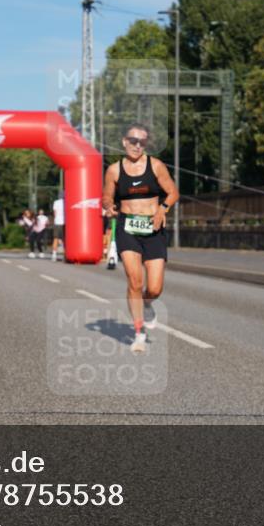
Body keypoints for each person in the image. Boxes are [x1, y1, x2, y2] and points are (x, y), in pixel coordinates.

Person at [101, 123, 179, 354]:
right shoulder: (114, 170)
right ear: (124, 142)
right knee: (135, 281)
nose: (137, 146)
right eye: (133, 141)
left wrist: (163, 209)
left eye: (142, 142)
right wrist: (109, 206)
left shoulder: (156, 166)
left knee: (154, 288)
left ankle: (147, 303)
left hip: (153, 228)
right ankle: (139, 333)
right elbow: (106, 197)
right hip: (127, 227)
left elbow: (173, 193)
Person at [51, 193, 65, 261]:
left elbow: (55, 213)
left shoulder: (56, 202)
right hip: (65, 222)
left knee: (55, 238)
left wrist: (55, 220)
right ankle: (65, 255)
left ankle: (54, 255)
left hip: (57, 222)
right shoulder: (67, 201)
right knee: (65, 239)